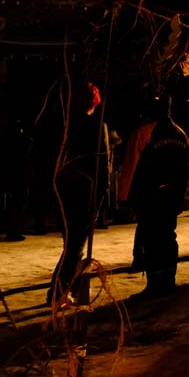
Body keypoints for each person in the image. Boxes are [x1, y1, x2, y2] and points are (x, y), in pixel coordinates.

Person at [50, 80, 108, 305]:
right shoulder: (96, 126)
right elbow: (102, 165)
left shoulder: (66, 126)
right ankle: (59, 290)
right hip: (84, 190)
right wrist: (101, 197)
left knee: (73, 244)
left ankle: (66, 287)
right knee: (75, 245)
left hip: (65, 188)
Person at [128, 95, 189, 297]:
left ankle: (156, 282)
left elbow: (132, 165)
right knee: (167, 236)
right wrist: (183, 195)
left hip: (150, 195)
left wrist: (125, 197)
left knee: (152, 238)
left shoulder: (145, 133)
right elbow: (186, 167)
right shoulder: (181, 134)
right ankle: (168, 279)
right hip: (172, 195)